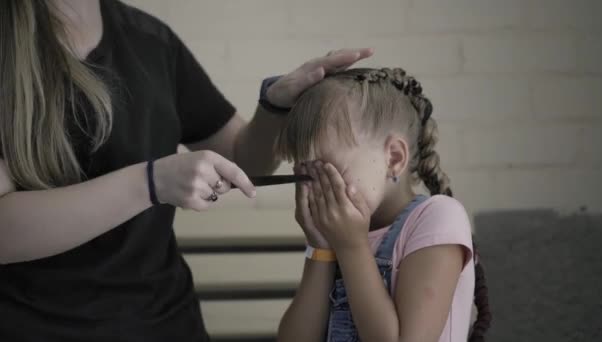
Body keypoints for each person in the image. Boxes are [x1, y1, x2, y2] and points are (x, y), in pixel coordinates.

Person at [0, 0, 373, 341]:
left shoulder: (151, 41)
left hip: (167, 325)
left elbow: (242, 161)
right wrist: (149, 182)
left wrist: (274, 105)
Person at [275, 68, 491, 342]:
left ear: (394, 157)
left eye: (327, 171)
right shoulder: (339, 234)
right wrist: (321, 248)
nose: (317, 188)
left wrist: (351, 247)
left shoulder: (437, 218)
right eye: (306, 173)